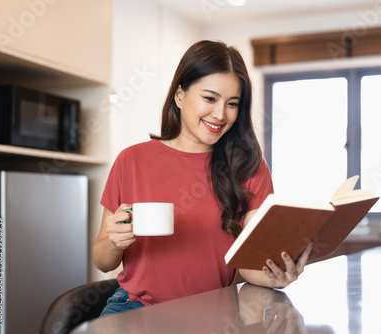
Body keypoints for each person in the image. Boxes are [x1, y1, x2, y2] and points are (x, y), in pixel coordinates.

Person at [93, 40, 313, 316]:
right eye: (210, 98)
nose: (220, 114)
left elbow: (248, 265)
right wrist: (114, 241)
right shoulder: (131, 160)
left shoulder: (249, 167)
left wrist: (277, 276)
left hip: (213, 313)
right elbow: (102, 261)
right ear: (179, 95)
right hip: (135, 308)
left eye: (232, 104)